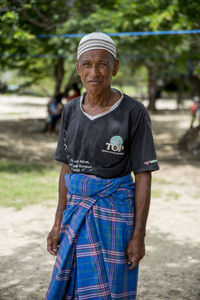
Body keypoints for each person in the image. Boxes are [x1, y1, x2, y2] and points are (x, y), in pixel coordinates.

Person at [46, 32, 159, 300]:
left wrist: (138, 236)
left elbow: (143, 176)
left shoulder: (134, 112)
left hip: (114, 218)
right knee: (73, 285)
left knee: (111, 289)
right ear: (78, 68)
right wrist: (57, 221)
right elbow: (67, 168)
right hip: (76, 213)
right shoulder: (71, 110)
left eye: (102, 64)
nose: (94, 72)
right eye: (87, 64)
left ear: (115, 67)